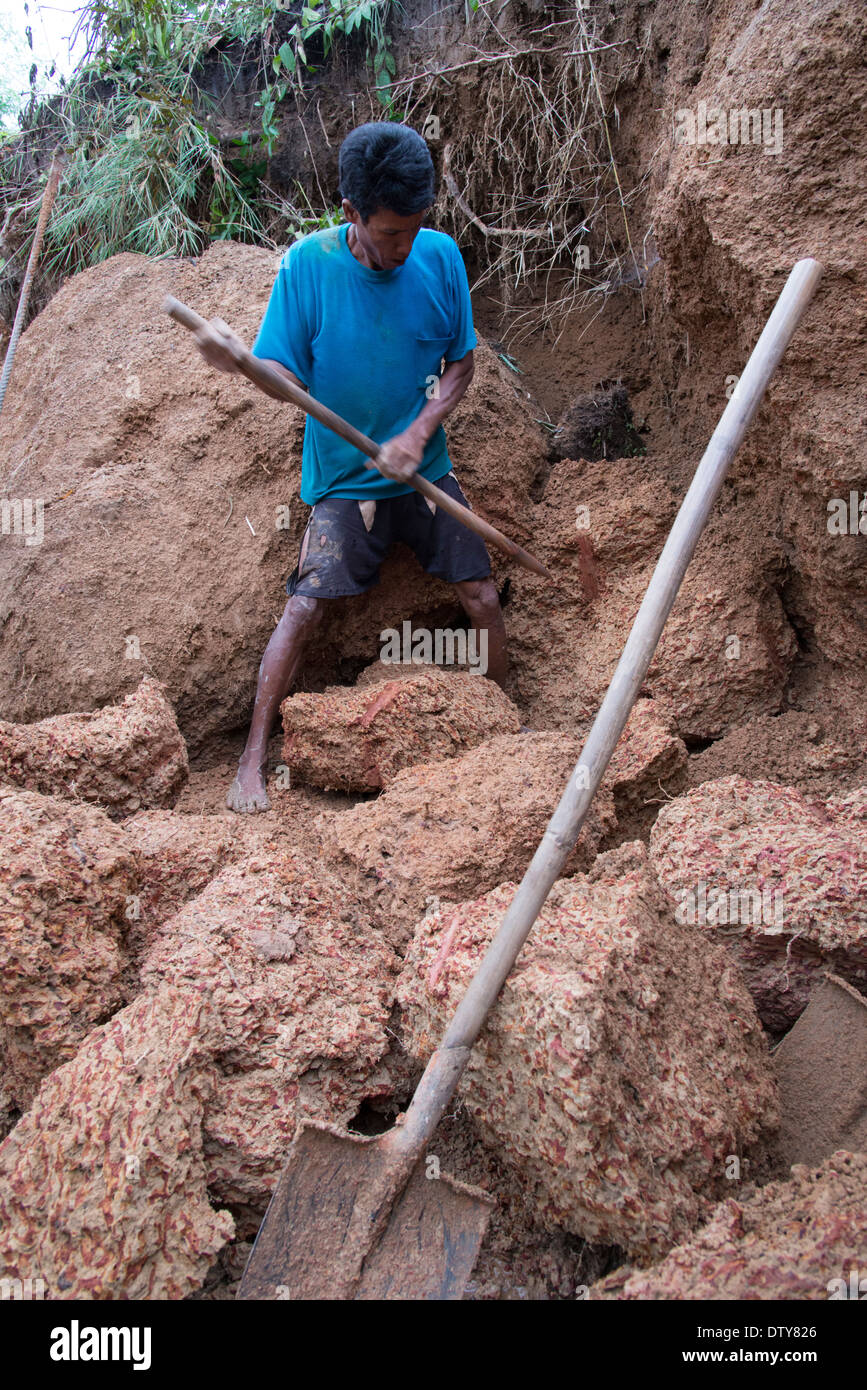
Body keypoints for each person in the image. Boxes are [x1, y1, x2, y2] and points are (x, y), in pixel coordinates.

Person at [194, 121, 507, 813]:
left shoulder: (440, 256)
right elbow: (277, 369)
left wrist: (418, 430)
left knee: (482, 595)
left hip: (424, 467)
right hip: (343, 479)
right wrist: (240, 362)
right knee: (304, 606)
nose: (404, 246)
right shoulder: (307, 267)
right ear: (350, 214)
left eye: (415, 228)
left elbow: (461, 363)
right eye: (391, 233)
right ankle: (251, 758)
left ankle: (505, 721)